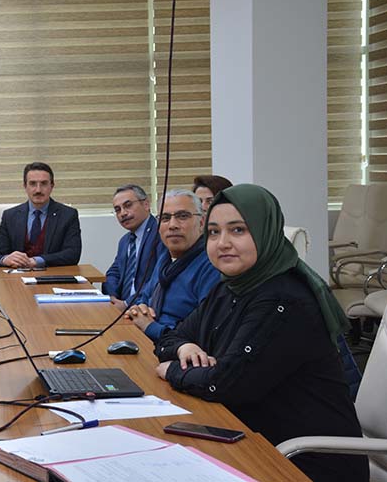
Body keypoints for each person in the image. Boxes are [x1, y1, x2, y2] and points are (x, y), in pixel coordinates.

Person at [154, 184, 368, 482]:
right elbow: (169, 338)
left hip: (302, 462)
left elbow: (225, 384)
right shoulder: (230, 286)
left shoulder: (283, 299)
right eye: (214, 232)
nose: (223, 243)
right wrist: (183, 348)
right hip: (250, 439)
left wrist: (172, 370)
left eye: (238, 230)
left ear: (266, 231)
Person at [125, 190, 220, 342]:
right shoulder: (165, 259)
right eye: (165, 218)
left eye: (182, 216)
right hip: (145, 339)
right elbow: (144, 297)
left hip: (176, 348)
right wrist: (139, 309)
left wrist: (150, 327)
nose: (173, 225)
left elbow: (202, 332)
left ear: (202, 222)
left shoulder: (211, 266)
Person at [0, 162, 81, 268]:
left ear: (52, 186)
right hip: (16, 275)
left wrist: (37, 261)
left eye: (44, 183)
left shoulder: (68, 215)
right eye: (32, 183)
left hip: (51, 274)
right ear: (25, 186)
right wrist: (5, 259)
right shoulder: (10, 216)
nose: (38, 190)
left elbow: (72, 255)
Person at [105, 184, 166, 303]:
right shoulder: (125, 241)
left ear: (146, 204)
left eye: (128, 205)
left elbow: (157, 280)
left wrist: (126, 304)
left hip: (145, 306)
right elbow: (113, 273)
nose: (123, 213)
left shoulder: (160, 234)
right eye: (118, 210)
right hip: (121, 305)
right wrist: (112, 297)